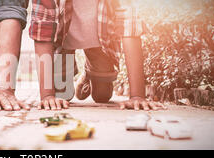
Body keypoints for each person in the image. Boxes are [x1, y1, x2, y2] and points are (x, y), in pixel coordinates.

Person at [30, 0, 167, 110]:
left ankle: (88, 72)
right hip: (63, 44)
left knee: (102, 95)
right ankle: (70, 65)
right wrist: (47, 96)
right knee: (62, 95)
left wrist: (137, 96)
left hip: (99, 44)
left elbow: (129, 26)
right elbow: (42, 29)